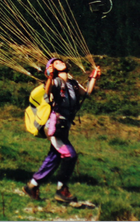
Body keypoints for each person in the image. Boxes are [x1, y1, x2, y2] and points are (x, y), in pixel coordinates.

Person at [23, 58, 100, 203]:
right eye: (56, 63)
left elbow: (87, 93)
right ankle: (61, 189)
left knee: (54, 157)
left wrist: (93, 77)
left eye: (60, 61)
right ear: (52, 69)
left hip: (64, 126)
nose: (61, 62)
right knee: (69, 155)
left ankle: (32, 186)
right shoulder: (56, 82)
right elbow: (48, 89)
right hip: (54, 127)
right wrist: (50, 76)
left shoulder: (73, 83)